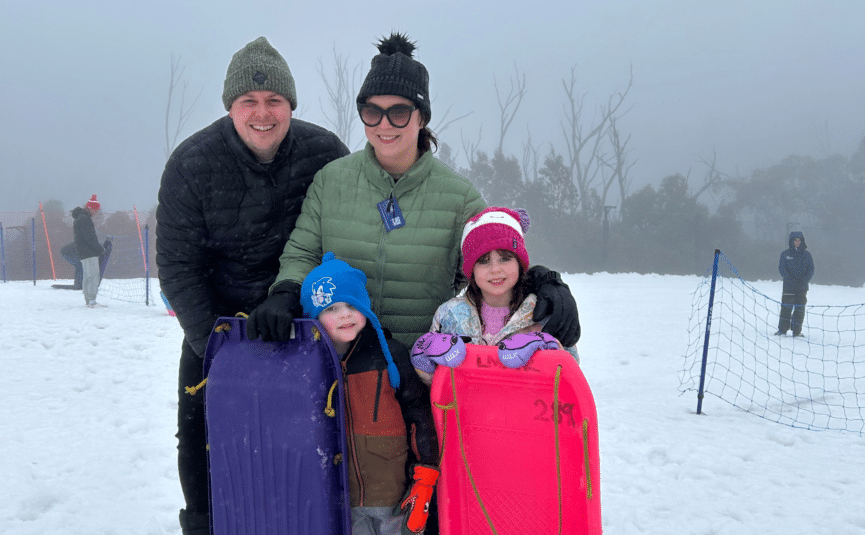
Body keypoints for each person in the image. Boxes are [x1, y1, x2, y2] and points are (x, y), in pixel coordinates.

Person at [248, 31, 580, 356]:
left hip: (422, 367)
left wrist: (545, 281)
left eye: (399, 112)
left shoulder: (458, 197)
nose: (384, 125)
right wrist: (286, 293)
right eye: (372, 111)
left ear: (422, 117)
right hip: (340, 360)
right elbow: (303, 254)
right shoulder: (331, 181)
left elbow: (495, 257)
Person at [155, 36, 349, 535]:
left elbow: (349, 233)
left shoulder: (325, 153)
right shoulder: (191, 164)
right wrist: (219, 347)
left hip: (306, 323)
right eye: (249, 101)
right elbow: (178, 265)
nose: (263, 113)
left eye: (274, 100)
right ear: (230, 106)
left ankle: (315, 519)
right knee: (200, 431)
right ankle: (206, 524)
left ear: (290, 105)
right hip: (219, 325)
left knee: (315, 434)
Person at [300, 252, 439, 535]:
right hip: (343, 501)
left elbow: (420, 415)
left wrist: (425, 476)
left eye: (352, 304)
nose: (344, 314)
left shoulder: (390, 355)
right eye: (331, 308)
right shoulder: (309, 365)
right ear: (314, 317)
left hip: (395, 495)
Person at [411, 207, 580, 384]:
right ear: (471, 269)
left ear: (519, 263)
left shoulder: (542, 312)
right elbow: (436, 384)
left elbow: (571, 376)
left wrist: (551, 351)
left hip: (529, 401)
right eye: (483, 261)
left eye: (505, 259)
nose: (495, 269)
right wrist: (425, 363)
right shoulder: (449, 314)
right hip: (465, 402)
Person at [774, 231, 814, 337]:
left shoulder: (807, 255)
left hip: (802, 287)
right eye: (795, 240)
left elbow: (811, 270)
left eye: (799, 240)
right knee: (786, 309)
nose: (797, 242)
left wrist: (804, 281)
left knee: (800, 310)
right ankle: (782, 330)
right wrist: (790, 280)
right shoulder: (785, 254)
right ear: (791, 241)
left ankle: (796, 331)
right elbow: (782, 269)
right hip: (788, 287)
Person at [72, 194, 104, 307]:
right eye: (95, 210)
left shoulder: (81, 218)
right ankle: (92, 300)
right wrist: (100, 249)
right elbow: (89, 237)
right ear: (90, 208)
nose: (96, 212)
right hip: (89, 253)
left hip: (83, 253)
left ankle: (88, 300)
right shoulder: (84, 219)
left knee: (87, 276)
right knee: (93, 276)